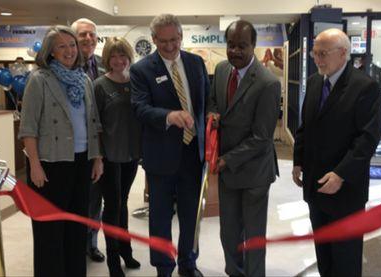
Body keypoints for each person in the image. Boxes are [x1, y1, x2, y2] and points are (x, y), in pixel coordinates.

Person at [292, 28, 381, 277]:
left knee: (346, 258)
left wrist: (341, 174)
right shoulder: (313, 82)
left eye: (323, 54)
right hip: (315, 186)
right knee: (324, 254)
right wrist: (298, 160)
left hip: (345, 190)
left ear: (343, 53)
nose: (317, 59)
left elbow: (367, 140)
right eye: (315, 53)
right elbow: (305, 126)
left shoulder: (365, 87)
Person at [18, 25, 103, 277]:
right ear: (51, 52)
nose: (69, 51)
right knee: (50, 232)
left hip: (81, 162)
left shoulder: (84, 79)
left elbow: (93, 122)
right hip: (50, 165)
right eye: (62, 46)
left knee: (77, 228)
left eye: (72, 45)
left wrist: (97, 158)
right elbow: (28, 128)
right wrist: (34, 164)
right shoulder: (39, 79)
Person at [130, 14, 209, 277]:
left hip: (192, 154)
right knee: (160, 218)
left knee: (190, 216)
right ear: (153, 39)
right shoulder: (141, 70)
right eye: (163, 41)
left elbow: (207, 102)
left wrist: (213, 116)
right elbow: (140, 108)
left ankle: (188, 262)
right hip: (160, 156)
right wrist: (168, 116)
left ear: (181, 36)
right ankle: (164, 267)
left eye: (174, 39)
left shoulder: (196, 63)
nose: (170, 46)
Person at [207, 20, 280, 277]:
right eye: (231, 45)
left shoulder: (267, 83)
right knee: (228, 232)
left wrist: (226, 159)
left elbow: (261, 137)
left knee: (254, 235)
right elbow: (213, 101)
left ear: (254, 46)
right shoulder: (221, 68)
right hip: (227, 171)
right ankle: (235, 272)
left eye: (242, 46)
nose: (235, 51)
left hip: (254, 173)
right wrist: (213, 113)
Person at [93, 37, 142, 276]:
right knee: (112, 207)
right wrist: (98, 158)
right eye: (113, 56)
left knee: (122, 204)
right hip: (109, 156)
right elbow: (95, 125)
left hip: (131, 155)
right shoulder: (100, 85)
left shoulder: (136, 83)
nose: (118, 60)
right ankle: (114, 260)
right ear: (107, 59)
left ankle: (126, 251)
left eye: (122, 56)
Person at [71, 17, 108, 262]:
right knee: (75, 198)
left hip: (101, 145)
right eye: (83, 34)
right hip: (74, 147)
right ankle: (73, 243)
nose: (88, 38)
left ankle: (91, 243)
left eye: (92, 35)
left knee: (95, 199)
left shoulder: (106, 66)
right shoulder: (64, 66)